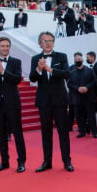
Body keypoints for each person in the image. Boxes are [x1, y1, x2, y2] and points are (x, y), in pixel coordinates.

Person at [29, 32, 74, 172]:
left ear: (53, 42)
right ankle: (47, 161)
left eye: (50, 40)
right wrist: (38, 69)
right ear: (40, 43)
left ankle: (67, 161)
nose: (48, 43)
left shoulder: (61, 56)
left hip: (60, 99)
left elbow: (67, 73)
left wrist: (50, 69)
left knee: (63, 132)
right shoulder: (35, 58)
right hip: (43, 101)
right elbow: (32, 78)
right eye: (45, 41)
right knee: (46, 133)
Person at [0, 37, 27, 173]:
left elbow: (17, 79)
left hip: (13, 103)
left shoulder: (16, 62)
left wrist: (4, 72)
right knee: (2, 135)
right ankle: (4, 161)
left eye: (7, 46)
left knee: (17, 133)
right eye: (2, 46)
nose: (5, 48)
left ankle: (21, 161)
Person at [68, 52, 97, 138]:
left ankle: (95, 132)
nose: (77, 60)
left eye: (79, 59)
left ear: (82, 60)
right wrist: (77, 88)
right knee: (79, 116)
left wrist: (87, 88)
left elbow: (94, 81)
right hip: (77, 98)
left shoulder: (89, 70)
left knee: (91, 116)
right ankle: (82, 132)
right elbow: (69, 84)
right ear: (74, 61)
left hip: (88, 97)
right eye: (76, 59)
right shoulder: (71, 72)